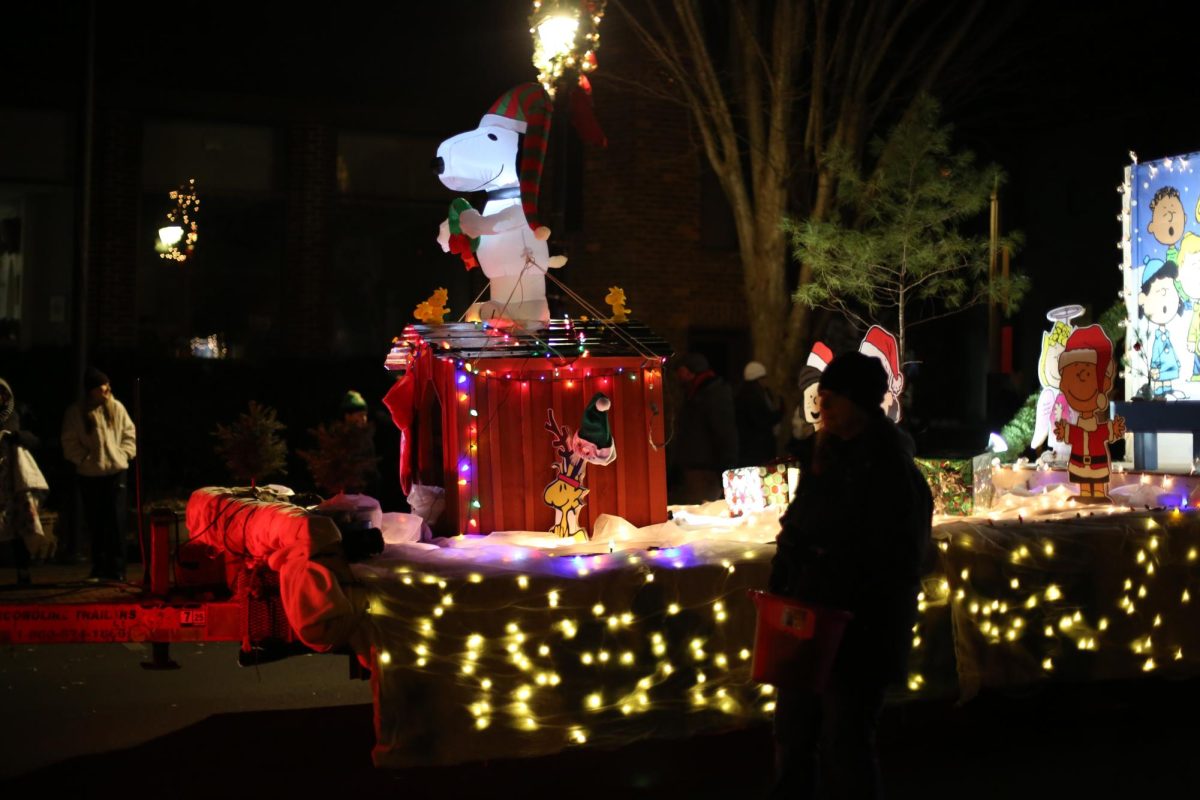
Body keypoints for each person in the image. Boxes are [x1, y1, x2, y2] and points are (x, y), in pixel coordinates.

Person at [768, 352, 932, 799]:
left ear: (859, 402)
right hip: (809, 619)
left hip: (861, 629)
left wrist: (830, 567)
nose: (822, 407)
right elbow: (799, 525)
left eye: (832, 399)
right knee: (793, 731)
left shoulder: (891, 470)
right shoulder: (823, 457)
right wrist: (786, 575)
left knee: (845, 741)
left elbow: (897, 556)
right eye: (821, 397)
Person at [61, 368, 137, 582]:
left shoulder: (116, 408)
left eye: (106, 385)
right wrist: (85, 460)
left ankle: (117, 569)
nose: (106, 389)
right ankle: (100, 567)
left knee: (116, 521)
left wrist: (124, 455)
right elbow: (69, 442)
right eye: (101, 386)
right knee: (96, 522)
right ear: (92, 390)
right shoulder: (76, 413)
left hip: (115, 471)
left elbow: (129, 433)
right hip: (90, 475)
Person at [1, 378, 54, 584]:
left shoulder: (15, 416)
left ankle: (23, 572)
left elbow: (35, 440)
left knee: (18, 529)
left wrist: (16, 436)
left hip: (13, 483)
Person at [667, 352, 738, 505]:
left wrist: (726, 467)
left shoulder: (713, 393)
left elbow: (724, 432)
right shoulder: (696, 392)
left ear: (689, 371)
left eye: (681, 370)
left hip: (706, 471)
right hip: (695, 468)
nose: (678, 375)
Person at [735, 360, 781, 466]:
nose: (765, 381)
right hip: (755, 451)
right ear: (757, 379)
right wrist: (779, 414)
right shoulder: (752, 396)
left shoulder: (760, 393)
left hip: (754, 450)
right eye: (763, 378)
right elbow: (761, 421)